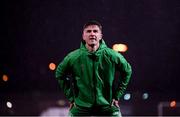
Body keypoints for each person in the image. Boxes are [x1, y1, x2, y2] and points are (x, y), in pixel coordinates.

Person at [55, 20, 132, 116]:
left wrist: (117, 95)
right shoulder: (73, 57)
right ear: (83, 36)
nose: (92, 34)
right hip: (81, 107)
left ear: (100, 36)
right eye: (88, 31)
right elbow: (59, 73)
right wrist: (71, 98)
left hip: (107, 106)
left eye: (95, 31)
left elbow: (127, 70)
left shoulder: (112, 55)